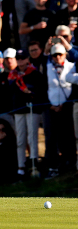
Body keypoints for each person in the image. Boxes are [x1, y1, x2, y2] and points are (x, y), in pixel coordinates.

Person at [9, 49, 47, 178]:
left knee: (32, 138)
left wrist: (31, 93)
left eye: (22, 58)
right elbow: (10, 93)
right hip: (19, 110)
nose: (20, 61)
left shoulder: (35, 73)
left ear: (27, 59)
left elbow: (41, 90)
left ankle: (34, 164)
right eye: (18, 58)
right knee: (20, 140)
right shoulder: (12, 75)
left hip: (32, 109)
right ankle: (21, 167)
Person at [43, 44, 78, 178]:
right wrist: (50, 104)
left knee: (68, 136)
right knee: (52, 137)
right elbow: (44, 87)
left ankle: (69, 163)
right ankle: (53, 166)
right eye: (55, 55)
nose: (57, 57)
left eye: (60, 54)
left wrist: (64, 104)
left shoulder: (71, 66)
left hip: (67, 108)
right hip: (51, 108)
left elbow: (74, 88)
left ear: (65, 54)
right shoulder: (47, 67)